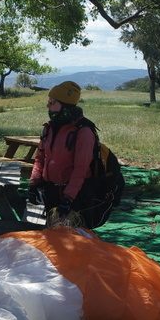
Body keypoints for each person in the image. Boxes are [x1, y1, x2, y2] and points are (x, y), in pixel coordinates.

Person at [27, 81, 106, 228]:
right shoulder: (49, 128)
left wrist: (68, 198)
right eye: (48, 102)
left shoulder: (84, 132)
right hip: (51, 192)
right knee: (52, 237)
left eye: (52, 102)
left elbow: (81, 169)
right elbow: (40, 157)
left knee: (73, 242)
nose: (48, 106)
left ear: (65, 105)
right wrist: (34, 182)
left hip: (76, 196)